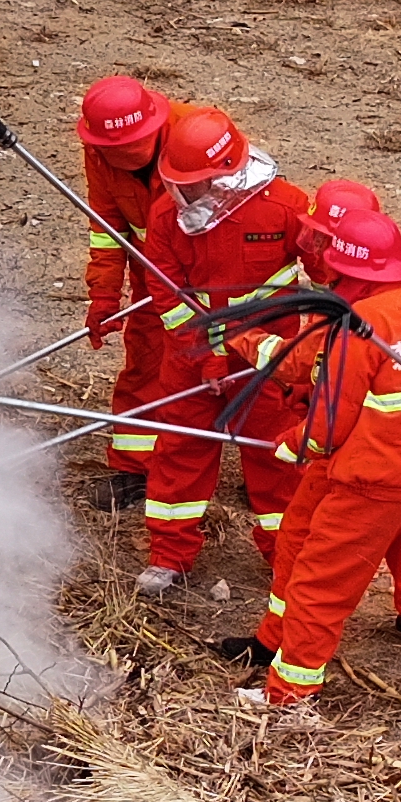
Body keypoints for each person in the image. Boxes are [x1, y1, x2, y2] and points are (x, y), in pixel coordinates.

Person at [238, 208, 401, 725]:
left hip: (368, 483)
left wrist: (293, 445)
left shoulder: (359, 326)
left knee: (319, 583)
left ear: (351, 275)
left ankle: (289, 695)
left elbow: (330, 422)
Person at [132, 106, 310, 598]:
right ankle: (170, 554)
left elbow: (325, 269)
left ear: (227, 174)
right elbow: (166, 293)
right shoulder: (167, 216)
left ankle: (287, 557)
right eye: (176, 184)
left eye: (193, 185)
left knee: (277, 456)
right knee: (179, 449)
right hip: (191, 360)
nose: (181, 195)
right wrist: (202, 355)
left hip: (269, 362)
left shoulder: (284, 205)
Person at [217, 176, 382, 677]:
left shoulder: (344, 313)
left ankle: (289, 675)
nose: (307, 247)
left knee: (310, 556)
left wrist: (239, 337)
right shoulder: (396, 302)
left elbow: (296, 364)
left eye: (318, 240)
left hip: (357, 465)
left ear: (340, 248)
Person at [72, 75, 188, 510]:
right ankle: (134, 468)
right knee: (147, 362)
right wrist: (104, 295)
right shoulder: (100, 150)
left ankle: (267, 467)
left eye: (131, 148)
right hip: (152, 272)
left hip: (217, 275)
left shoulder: (196, 136)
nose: (122, 157)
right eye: (111, 151)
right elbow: (106, 227)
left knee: (245, 371)